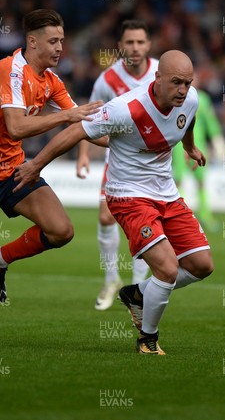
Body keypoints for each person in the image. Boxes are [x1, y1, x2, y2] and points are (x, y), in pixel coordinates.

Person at [13, 50, 214, 355]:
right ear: (157, 78)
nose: (183, 90)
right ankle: (147, 339)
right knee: (168, 269)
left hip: (167, 194)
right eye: (176, 83)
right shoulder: (125, 109)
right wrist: (36, 165)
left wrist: (191, 146)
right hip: (128, 195)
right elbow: (75, 131)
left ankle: (136, 294)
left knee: (202, 265)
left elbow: (189, 119)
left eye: (188, 83)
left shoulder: (190, 99)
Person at [0, 9, 103, 344]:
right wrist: (68, 116)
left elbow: (84, 124)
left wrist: (139, 138)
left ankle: (2, 258)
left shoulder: (51, 81)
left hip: (14, 171)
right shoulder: (8, 71)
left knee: (61, 230)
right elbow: (16, 127)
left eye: (62, 41)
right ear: (32, 41)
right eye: (53, 41)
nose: (59, 48)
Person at [76, 20, 158, 311]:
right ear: (120, 46)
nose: (134, 48)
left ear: (148, 45)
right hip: (119, 158)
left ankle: (137, 287)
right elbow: (90, 117)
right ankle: (111, 279)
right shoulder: (107, 79)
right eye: (129, 42)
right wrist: (83, 154)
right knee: (106, 218)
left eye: (140, 42)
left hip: (153, 162)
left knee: (144, 222)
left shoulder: (161, 73)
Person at [171, 77, 225, 232]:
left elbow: (210, 121)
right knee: (179, 181)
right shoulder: (175, 97)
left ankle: (205, 216)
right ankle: (179, 216)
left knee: (201, 181)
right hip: (178, 145)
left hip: (199, 145)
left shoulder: (202, 99)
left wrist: (217, 139)